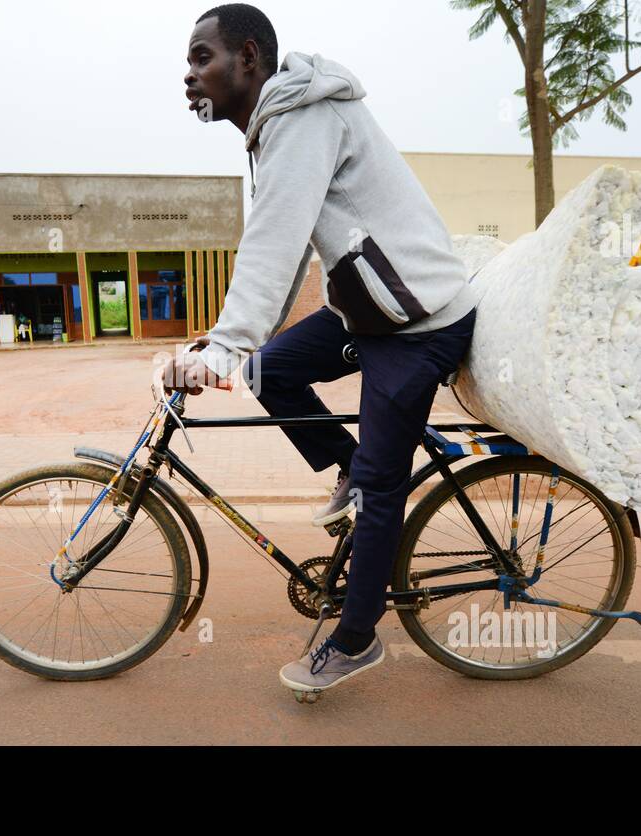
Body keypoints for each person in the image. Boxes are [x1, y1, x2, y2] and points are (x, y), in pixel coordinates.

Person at [163, 4, 477, 696]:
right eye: (188, 62)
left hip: (419, 320)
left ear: (249, 57)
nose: (190, 76)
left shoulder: (302, 119)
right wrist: (231, 344)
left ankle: (356, 640)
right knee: (265, 369)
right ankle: (348, 466)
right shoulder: (279, 123)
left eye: (201, 58)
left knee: (380, 490)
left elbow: (271, 244)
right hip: (371, 311)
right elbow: (286, 248)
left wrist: (222, 347)